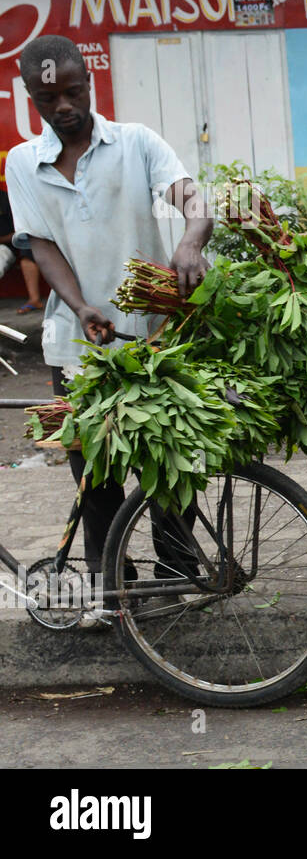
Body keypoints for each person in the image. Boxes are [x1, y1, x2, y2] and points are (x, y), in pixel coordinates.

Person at [6, 34, 211, 583]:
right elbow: (41, 243)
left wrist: (191, 240)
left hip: (154, 335)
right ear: (32, 98)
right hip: (76, 340)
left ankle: (175, 570)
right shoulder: (24, 163)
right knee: (94, 468)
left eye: (73, 92)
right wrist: (79, 305)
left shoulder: (136, 143)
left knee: (171, 460)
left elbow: (191, 195)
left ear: (89, 84)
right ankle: (110, 582)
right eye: (49, 100)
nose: (63, 107)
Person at [0, 187, 45, 313]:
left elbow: (20, 230)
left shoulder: (6, 199)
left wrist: (2, 239)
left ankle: (34, 300)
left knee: (26, 256)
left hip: (7, 245)